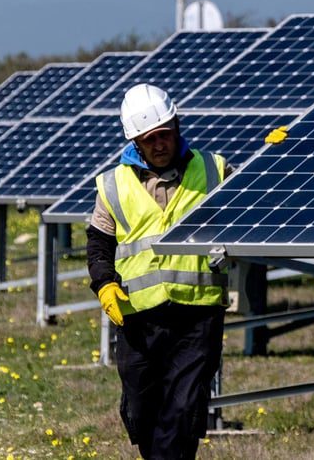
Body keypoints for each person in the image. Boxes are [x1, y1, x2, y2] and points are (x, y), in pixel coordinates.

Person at [86, 83, 231, 460]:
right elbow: (99, 245)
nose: (161, 144)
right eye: (150, 139)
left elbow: (255, 201)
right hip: (137, 318)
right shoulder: (113, 185)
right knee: (141, 410)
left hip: (197, 315)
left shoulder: (214, 170)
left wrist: (275, 158)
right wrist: (104, 285)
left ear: (177, 126)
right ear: (135, 141)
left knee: (183, 412)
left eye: (166, 134)